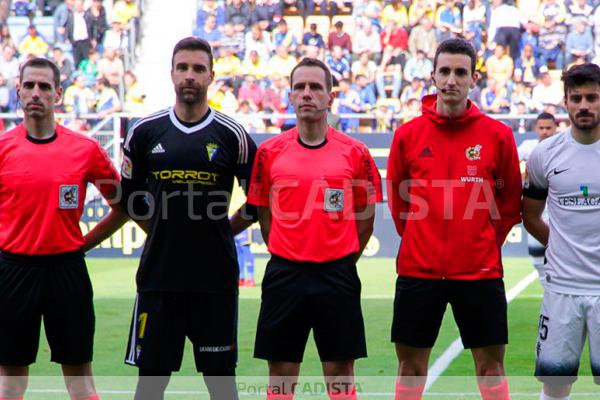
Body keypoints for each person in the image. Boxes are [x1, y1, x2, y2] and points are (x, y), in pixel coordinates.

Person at [83, 37, 257, 400]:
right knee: (150, 383)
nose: (189, 76)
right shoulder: (144, 131)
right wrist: (158, 229)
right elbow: (128, 199)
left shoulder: (233, 134)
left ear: (211, 76)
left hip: (215, 279)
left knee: (221, 382)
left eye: (198, 68)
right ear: (171, 73)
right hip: (159, 278)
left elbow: (257, 201)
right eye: (182, 68)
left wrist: (225, 230)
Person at [387, 38, 521, 400]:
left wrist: (482, 241)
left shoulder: (498, 135)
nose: (451, 80)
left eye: (460, 72)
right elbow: (399, 202)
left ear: (473, 79)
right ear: (432, 76)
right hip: (419, 270)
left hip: (479, 272)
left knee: (491, 368)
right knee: (411, 368)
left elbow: (509, 203)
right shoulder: (407, 136)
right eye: (444, 71)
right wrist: (420, 236)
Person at [247, 57, 383, 400]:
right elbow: (262, 210)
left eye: (315, 87)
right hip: (284, 274)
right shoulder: (269, 152)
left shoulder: (356, 153)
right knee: (280, 375)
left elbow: (365, 215)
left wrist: (343, 257)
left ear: (330, 97)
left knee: (340, 376)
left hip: (337, 273)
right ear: (290, 96)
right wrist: (284, 247)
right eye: (300, 87)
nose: (307, 94)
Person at [0, 58, 120, 400]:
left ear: (59, 94)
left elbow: (122, 205)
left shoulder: (85, 150)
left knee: (79, 373)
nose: (36, 93)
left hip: (67, 270)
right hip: (13, 270)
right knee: (9, 377)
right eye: (29, 86)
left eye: (44, 87)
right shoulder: (3, 149)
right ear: (19, 91)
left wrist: (83, 243)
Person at [522, 63, 600, 400]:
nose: (584, 105)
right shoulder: (544, 154)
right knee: (555, 386)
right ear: (565, 102)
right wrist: (562, 247)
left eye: (593, 98)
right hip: (562, 290)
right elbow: (530, 215)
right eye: (577, 98)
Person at [517, 112, 558, 283]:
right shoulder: (527, 147)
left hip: (557, 210)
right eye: (541, 128)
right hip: (536, 210)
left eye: (548, 128)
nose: (545, 131)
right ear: (535, 128)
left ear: (555, 128)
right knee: (538, 260)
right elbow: (511, 166)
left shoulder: (561, 147)